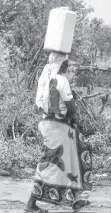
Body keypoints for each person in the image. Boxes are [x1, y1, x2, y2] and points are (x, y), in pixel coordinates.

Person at [24, 52, 92, 213]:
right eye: (66, 63)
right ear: (62, 65)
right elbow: (71, 108)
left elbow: (38, 104)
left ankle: (75, 200)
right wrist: (75, 120)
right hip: (59, 125)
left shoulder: (44, 78)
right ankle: (31, 203)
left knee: (70, 157)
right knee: (51, 161)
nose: (68, 66)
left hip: (47, 123)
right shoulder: (61, 80)